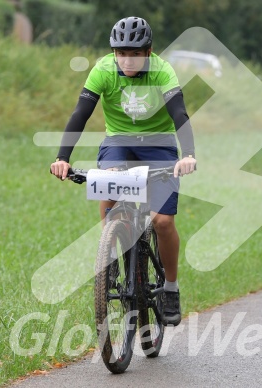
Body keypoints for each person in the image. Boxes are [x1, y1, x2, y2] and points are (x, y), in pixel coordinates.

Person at [50, 16, 197, 325]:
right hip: (119, 142)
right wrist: (63, 157)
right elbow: (81, 113)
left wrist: (189, 155)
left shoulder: (162, 70)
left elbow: (179, 113)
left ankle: (170, 287)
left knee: (163, 221)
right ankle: (112, 254)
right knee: (107, 190)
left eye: (134, 53)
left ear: (148, 52)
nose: (127, 60)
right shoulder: (104, 70)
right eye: (120, 53)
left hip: (159, 146)